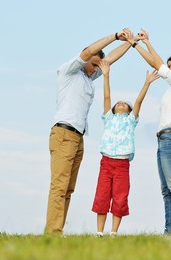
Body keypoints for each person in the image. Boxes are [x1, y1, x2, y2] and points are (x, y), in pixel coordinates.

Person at [44, 28, 135, 235]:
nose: (96, 69)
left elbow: (108, 59)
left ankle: (56, 231)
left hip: (78, 138)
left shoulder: (88, 77)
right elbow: (89, 52)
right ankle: (52, 233)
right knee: (59, 186)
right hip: (63, 134)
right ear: (85, 59)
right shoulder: (69, 70)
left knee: (68, 188)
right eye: (93, 65)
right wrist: (114, 36)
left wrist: (131, 43)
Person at [124, 30, 171, 234]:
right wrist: (142, 44)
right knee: (166, 190)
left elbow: (157, 64)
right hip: (164, 138)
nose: (168, 67)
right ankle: (170, 231)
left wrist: (140, 44)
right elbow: (157, 64)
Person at [91, 60, 159, 237]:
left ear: (129, 111)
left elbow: (138, 101)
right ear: (113, 109)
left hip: (121, 165)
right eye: (118, 103)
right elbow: (107, 97)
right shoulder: (109, 118)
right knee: (102, 196)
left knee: (120, 198)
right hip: (106, 163)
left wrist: (147, 83)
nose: (120, 103)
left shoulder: (130, 120)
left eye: (124, 104)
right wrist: (106, 75)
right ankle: (99, 232)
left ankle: (113, 232)